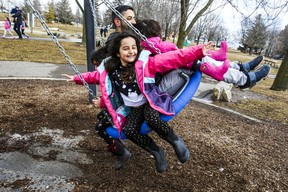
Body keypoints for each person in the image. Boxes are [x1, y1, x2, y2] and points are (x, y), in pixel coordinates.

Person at [62, 31, 219, 173]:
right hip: (134, 108)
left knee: (151, 118)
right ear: (117, 53)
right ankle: (157, 152)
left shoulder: (145, 64)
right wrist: (76, 78)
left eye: (133, 47)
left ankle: (176, 141)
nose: (131, 51)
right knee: (129, 130)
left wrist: (197, 51)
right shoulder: (111, 71)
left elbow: (173, 58)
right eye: (126, 48)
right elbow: (94, 76)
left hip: (150, 101)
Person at [134, 19, 270, 97]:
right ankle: (244, 78)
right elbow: (177, 57)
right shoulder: (151, 46)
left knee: (202, 58)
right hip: (162, 85)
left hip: (171, 74)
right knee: (201, 60)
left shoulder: (152, 45)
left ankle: (241, 68)